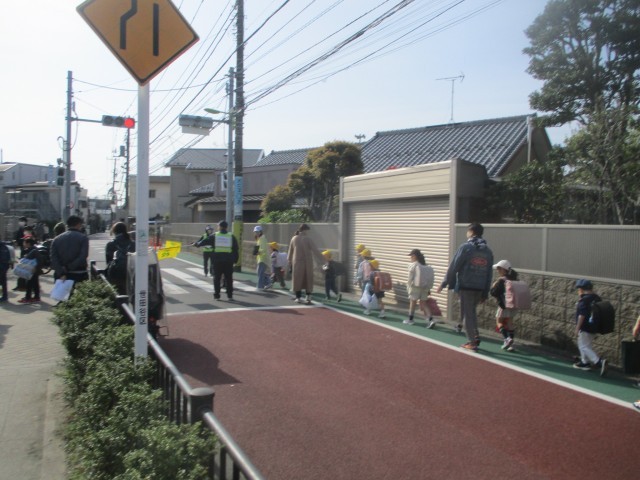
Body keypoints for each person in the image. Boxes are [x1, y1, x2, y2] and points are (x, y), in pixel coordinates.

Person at [436, 222, 493, 352]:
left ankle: (472, 342)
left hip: (466, 285)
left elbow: (454, 266)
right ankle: (475, 335)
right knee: (472, 312)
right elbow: (489, 273)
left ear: (471, 232)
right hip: (480, 287)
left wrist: (444, 283)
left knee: (466, 315)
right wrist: (485, 292)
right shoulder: (488, 251)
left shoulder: (466, 247)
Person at [195, 220, 239, 300]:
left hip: (217, 260)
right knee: (229, 279)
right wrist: (235, 260)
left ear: (220, 227)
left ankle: (217, 295)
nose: (217, 227)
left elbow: (205, 241)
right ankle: (230, 296)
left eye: (218, 226)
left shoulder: (215, 235)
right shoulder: (231, 236)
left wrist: (197, 244)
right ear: (226, 227)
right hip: (228, 261)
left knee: (217, 278)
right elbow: (235, 249)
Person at [573, 279, 607, 376]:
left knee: (584, 346)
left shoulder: (584, 300)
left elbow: (582, 315)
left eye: (578, 289)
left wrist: (577, 328)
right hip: (594, 326)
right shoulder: (596, 298)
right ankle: (585, 362)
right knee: (585, 345)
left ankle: (599, 362)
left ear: (581, 289)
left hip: (585, 327)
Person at [287, 223, 324, 304]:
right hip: (307, 262)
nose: (308, 232)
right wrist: (323, 259)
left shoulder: (294, 238)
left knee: (297, 279)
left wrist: (289, 260)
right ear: (305, 230)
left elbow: (290, 251)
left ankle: (298, 297)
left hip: (297, 262)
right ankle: (308, 297)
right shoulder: (308, 239)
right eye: (307, 230)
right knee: (308, 279)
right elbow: (315, 250)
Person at [50, 215, 89, 285]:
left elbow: (53, 258)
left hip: (61, 275)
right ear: (78, 224)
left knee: (62, 292)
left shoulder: (56, 239)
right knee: (78, 292)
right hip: (79, 273)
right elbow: (83, 256)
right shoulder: (83, 238)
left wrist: (61, 271)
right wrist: (69, 267)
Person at [489, 259, 519, 351]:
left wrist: (494, 285)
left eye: (499, 268)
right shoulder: (515, 279)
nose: (497, 270)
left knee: (499, 321)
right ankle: (511, 344)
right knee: (510, 322)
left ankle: (507, 339)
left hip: (504, 305)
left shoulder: (502, 280)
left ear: (503, 269)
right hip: (514, 305)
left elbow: (494, 293)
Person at [405, 249, 434, 328]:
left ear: (414, 256)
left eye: (411, 256)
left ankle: (410, 319)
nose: (410, 257)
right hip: (425, 288)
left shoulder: (414, 265)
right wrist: (428, 289)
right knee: (424, 304)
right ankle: (431, 319)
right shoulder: (425, 265)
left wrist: (408, 286)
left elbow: (410, 278)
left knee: (412, 302)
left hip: (415, 287)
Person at [105, 221, 136, 295]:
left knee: (117, 294)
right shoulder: (133, 243)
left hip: (116, 274)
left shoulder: (111, 244)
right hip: (131, 273)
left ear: (114, 231)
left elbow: (108, 261)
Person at [18, 236, 43, 304]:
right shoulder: (31, 249)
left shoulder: (33, 250)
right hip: (33, 269)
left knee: (29, 284)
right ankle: (36, 297)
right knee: (35, 284)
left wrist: (36, 268)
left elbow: (40, 260)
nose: (23, 244)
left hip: (33, 269)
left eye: (24, 242)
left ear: (28, 243)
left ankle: (28, 298)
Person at [253, 225, 272, 290]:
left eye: (257, 232)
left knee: (260, 272)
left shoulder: (262, 239)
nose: (256, 233)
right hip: (261, 258)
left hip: (263, 258)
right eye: (255, 232)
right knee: (260, 272)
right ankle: (268, 282)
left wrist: (258, 252)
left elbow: (263, 249)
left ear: (261, 232)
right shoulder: (260, 239)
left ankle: (260, 286)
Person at [0, 237, 11, 303]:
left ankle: (3, 296)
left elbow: (3, 258)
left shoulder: (2, 247)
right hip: (4, 267)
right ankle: (4, 296)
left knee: (2, 283)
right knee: (3, 282)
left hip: (1, 267)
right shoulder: (4, 246)